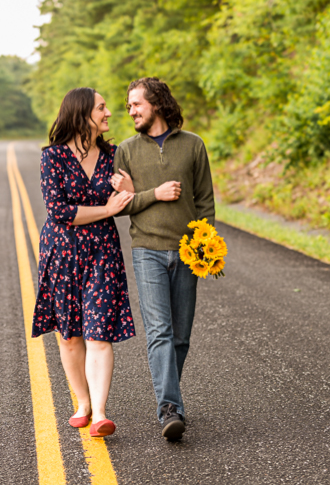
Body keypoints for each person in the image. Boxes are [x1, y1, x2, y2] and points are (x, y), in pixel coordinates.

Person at [111, 76, 215, 441]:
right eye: (127, 107)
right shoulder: (125, 150)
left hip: (188, 251)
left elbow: (205, 201)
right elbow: (121, 206)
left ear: (156, 102)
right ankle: (169, 407)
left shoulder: (193, 146)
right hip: (148, 250)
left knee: (181, 336)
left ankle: (169, 396)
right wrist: (154, 193)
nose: (131, 111)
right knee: (160, 331)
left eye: (136, 104)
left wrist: (206, 244)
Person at [31, 87, 137, 438]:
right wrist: (106, 209)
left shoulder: (115, 155)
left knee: (98, 333)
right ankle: (82, 402)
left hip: (103, 252)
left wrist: (130, 188)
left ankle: (101, 413)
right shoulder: (53, 157)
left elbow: (129, 199)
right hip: (61, 253)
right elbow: (58, 211)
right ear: (82, 114)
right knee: (70, 337)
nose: (109, 113)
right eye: (102, 107)